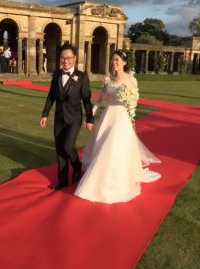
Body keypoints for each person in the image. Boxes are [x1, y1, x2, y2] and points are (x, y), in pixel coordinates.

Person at [74, 49, 161, 204]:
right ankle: (101, 177)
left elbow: (134, 101)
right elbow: (100, 100)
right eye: (113, 60)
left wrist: (130, 110)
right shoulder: (108, 80)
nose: (114, 63)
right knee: (103, 144)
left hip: (122, 119)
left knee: (115, 146)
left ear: (124, 62)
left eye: (117, 60)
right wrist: (92, 112)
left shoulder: (132, 80)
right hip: (108, 116)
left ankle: (116, 181)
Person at [40, 44, 94, 190]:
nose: (65, 61)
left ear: (75, 58)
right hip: (59, 118)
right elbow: (51, 95)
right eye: (63, 58)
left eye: (69, 58)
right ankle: (62, 180)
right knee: (60, 150)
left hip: (74, 119)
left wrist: (90, 118)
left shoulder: (82, 77)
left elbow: (86, 99)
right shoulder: (56, 74)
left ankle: (77, 166)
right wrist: (45, 114)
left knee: (67, 146)